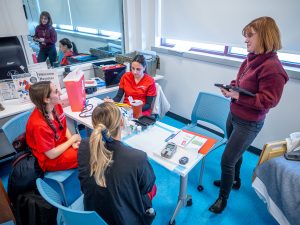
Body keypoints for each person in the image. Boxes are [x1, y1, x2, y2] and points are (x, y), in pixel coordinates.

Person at [209, 16, 289, 214]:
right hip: (235, 114)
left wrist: (238, 96)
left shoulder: (273, 68)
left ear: (264, 36)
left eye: (249, 36)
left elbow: (269, 101)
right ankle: (234, 180)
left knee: (227, 159)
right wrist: (233, 88)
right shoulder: (251, 59)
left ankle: (223, 198)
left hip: (249, 122)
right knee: (234, 153)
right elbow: (243, 83)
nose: (245, 40)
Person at [78, 102, 157, 225]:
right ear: (121, 122)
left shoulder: (83, 146)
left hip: (93, 214)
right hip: (123, 219)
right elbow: (146, 187)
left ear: (94, 125)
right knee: (152, 188)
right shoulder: (137, 157)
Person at [26, 81, 81, 172]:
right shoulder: (38, 125)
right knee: (90, 153)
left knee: (91, 147)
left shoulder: (56, 105)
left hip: (62, 145)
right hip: (51, 159)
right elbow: (51, 154)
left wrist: (72, 142)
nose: (60, 93)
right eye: (56, 91)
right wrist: (72, 139)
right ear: (46, 99)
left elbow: (63, 127)